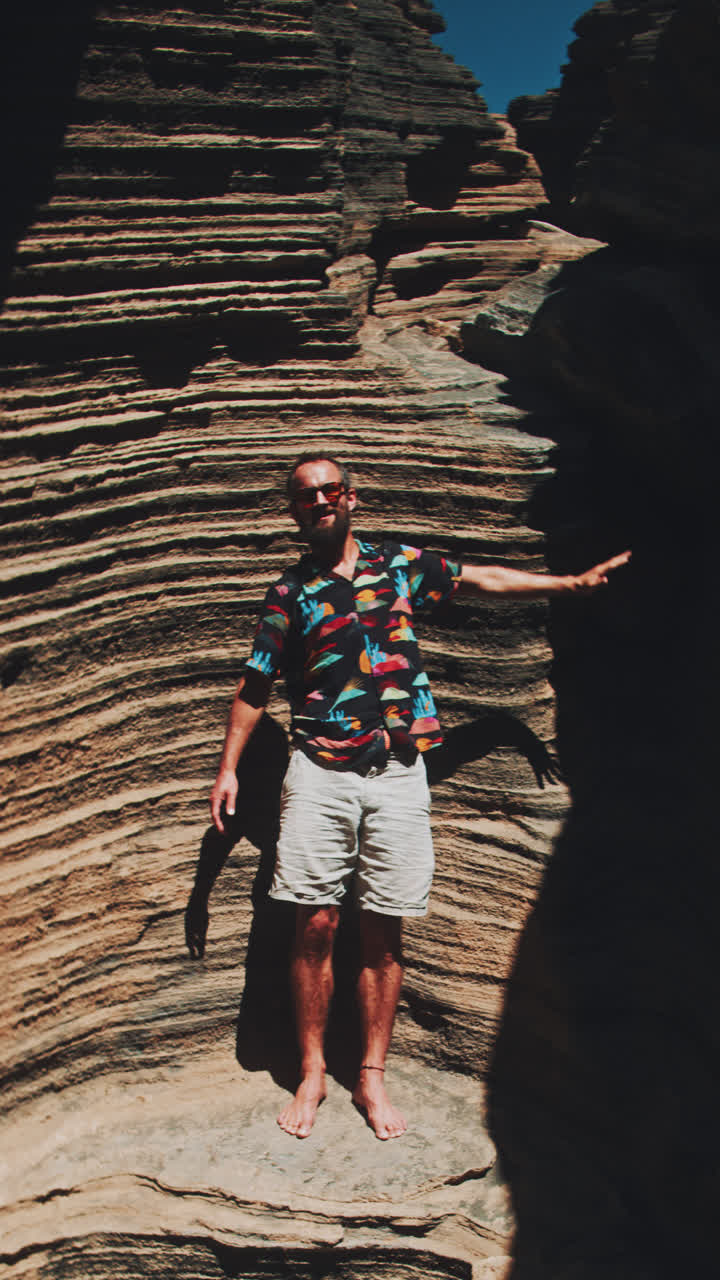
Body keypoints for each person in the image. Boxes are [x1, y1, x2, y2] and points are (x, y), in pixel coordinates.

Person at [209, 451, 630, 1140]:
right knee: (315, 924)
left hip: (399, 770)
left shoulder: (397, 565)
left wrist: (569, 584)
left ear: (352, 498)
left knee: (385, 927)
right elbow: (255, 685)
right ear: (295, 511)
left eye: (331, 489)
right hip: (320, 770)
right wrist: (228, 768)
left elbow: (481, 578)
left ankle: (371, 1076)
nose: (320, 501)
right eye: (306, 495)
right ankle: (312, 1071)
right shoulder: (290, 592)